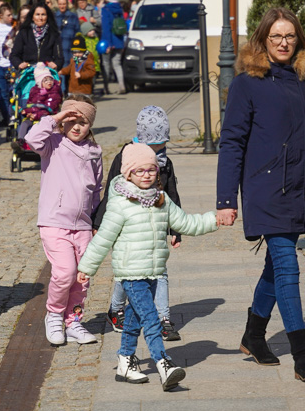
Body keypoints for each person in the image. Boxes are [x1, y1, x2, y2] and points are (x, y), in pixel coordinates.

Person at [216, 6, 305, 383]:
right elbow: (231, 144)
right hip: (264, 188)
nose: (283, 43)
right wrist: (226, 200)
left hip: (301, 186)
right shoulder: (247, 83)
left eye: (289, 36)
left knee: (277, 265)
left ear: (299, 40)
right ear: (263, 40)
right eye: (276, 36)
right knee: (288, 267)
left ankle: (254, 336)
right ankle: (303, 355)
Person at [78, 143, 219, 390]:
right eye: (140, 171)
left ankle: (125, 360)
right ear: (128, 174)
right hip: (131, 273)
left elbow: (186, 223)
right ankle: (164, 363)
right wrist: (86, 267)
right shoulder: (120, 203)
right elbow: (103, 239)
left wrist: (214, 219)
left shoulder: (161, 200)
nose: (146, 175)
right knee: (151, 318)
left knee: (133, 318)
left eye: (151, 170)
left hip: (154, 270)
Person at [92, 105, 183, 340]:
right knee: (129, 273)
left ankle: (163, 319)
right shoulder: (125, 158)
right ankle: (116, 309)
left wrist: (176, 228)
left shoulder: (166, 163)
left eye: (162, 143)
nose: (159, 148)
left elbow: (171, 194)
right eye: (154, 145)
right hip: (128, 227)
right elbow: (110, 191)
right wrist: (101, 222)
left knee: (159, 272)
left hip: (156, 225)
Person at [24, 95, 102, 346]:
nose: (77, 127)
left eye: (83, 122)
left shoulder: (94, 151)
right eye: (72, 120)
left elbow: (97, 188)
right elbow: (30, 139)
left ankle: (74, 321)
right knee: (64, 272)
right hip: (55, 221)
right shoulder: (52, 144)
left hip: (83, 225)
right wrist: (56, 118)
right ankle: (54, 315)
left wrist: (96, 219)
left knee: (82, 277)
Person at [16, 64, 63, 143]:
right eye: (46, 80)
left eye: (50, 79)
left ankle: (41, 141)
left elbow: (49, 108)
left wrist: (35, 115)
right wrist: (27, 111)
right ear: (40, 82)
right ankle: (20, 140)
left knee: (44, 121)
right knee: (24, 123)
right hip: (35, 115)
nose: (49, 82)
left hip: (47, 115)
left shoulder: (54, 92)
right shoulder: (34, 91)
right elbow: (30, 104)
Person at [10, 4, 64, 73]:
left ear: (47, 16)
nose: (40, 18)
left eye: (43, 14)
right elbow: (14, 55)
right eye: (37, 14)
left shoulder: (54, 34)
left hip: (47, 73)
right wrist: (19, 64)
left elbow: (59, 58)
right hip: (28, 73)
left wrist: (56, 65)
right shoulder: (23, 33)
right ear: (32, 17)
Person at [101, 0, 127, 93]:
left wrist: (108, 43)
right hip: (119, 40)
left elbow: (106, 27)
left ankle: (106, 88)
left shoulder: (106, 9)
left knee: (106, 64)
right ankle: (122, 86)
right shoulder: (120, 9)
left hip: (109, 41)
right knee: (117, 64)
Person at [81, 22, 108, 95]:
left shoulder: (96, 39)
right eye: (90, 30)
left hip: (96, 62)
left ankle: (91, 90)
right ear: (85, 32)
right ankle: (88, 92)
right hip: (87, 64)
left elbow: (100, 48)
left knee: (94, 79)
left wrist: (105, 50)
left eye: (93, 30)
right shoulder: (83, 40)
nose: (92, 31)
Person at [54, 0, 81, 69]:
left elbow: (78, 32)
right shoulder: (54, 17)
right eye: (60, 4)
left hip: (71, 48)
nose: (62, 6)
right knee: (61, 72)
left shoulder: (73, 16)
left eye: (64, 4)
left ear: (67, 4)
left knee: (72, 72)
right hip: (59, 49)